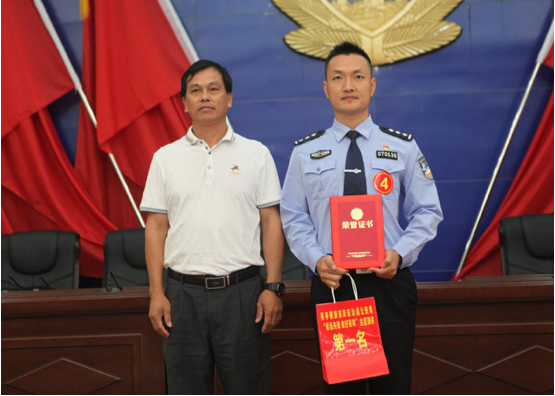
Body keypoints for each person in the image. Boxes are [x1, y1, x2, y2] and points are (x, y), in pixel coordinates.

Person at [280, 42, 443, 395]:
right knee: (343, 389)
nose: (348, 85)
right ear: (326, 88)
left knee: (393, 387)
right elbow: (293, 216)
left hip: (388, 283)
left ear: (372, 84)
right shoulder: (305, 152)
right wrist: (316, 259)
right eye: (338, 78)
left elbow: (427, 210)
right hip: (334, 284)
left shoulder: (401, 146)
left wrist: (399, 253)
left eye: (357, 77)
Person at [141, 59, 286, 395]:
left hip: (243, 294)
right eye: (195, 91)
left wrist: (273, 287)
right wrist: (156, 293)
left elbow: (271, 222)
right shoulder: (165, 158)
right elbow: (156, 227)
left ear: (229, 98)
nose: (205, 97)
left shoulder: (256, 154)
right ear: (184, 103)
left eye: (213, 89)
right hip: (182, 296)